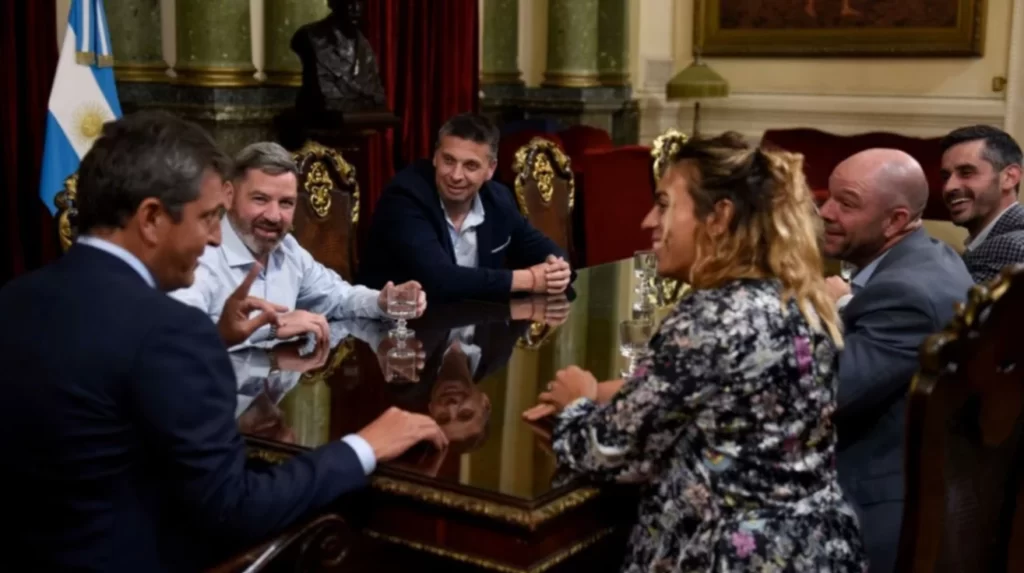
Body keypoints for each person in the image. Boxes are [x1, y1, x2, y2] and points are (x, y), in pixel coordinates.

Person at [0, 111, 447, 573]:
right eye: (208, 218)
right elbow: (236, 509)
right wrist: (364, 445)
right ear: (151, 218)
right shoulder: (169, 328)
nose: (216, 238)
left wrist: (218, 340)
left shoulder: (14, 298)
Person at [523, 132, 867, 571]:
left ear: (718, 217)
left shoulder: (712, 316)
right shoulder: (802, 298)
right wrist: (607, 393)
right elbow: (712, 403)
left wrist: (575, 403)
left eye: (664, 204)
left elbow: (608, 451)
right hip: (817, 549)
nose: (648, 220)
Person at [820, 148, 973, 572]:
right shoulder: (936, 253)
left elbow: (825, 394)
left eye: (846, 203)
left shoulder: (906, 295)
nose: (825, 212)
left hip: (873, 505)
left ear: (895, 221)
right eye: (829, 197)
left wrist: (827, 313)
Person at [170, 141, 425, 347]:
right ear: (228, 195)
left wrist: (381, 301)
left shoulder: (287, 250)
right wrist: (270, 329)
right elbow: (177, 340)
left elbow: (340, 297)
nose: (274, 216)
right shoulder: (199, 256)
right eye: (260, 199)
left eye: (286, 203)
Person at [358, 113, 574, 301]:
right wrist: (530, 279)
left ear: (490, 169)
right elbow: (438, 279)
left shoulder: (498, 199)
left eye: (470, 166)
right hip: (398, 329)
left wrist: (558, 268)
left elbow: (544, 248)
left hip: (474, 324)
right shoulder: (405, 197)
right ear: (435, 157)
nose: (456, 175)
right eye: (448, 160)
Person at [939, 125, 1024, 282]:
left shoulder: (1009, 246)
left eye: (966, 173)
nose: (949, 187)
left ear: (1009, 177)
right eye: (945, 177)